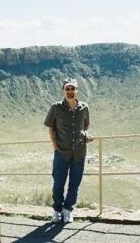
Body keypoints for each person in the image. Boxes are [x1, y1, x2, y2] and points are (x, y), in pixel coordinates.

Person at [44, 78, 93, 223]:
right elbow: (51, 127)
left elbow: (85, 126)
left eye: (73, 89)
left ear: (77, 91)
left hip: (79, 152)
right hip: (61, 152)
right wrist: (55, 146)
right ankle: (57, 210)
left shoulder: (84, 108)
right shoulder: (56, 108)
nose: (70, 92)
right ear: (63, 91)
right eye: (67, 89)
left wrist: (85, 135)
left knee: (74, 184)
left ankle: (68, 210)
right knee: (58, 184)